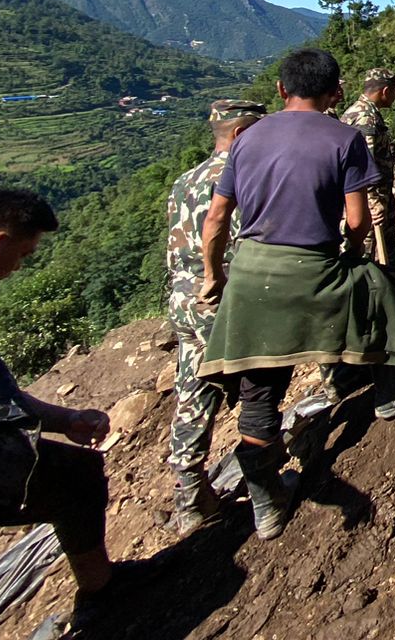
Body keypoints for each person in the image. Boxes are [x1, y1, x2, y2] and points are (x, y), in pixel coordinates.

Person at [197, 49, 395, 541]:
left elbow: (217, 220)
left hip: (252, 274)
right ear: (334, 94)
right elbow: (355, 221)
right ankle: (391, 393)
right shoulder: (345, 138)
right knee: (390, 300)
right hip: (315, 265)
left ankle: (267, 504)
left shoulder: (246, 140)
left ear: (283, 90)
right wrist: (353, 255)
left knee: (258, 391)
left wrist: (213, 276)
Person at [0, 191, 126, 639]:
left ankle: (102, 589)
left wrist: (64, 420)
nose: (18, 268)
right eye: (23, 254)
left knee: (77, 479)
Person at [164, 98, 266, 537]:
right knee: (257, 384)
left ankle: (190, 497)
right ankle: (266, 480)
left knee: (194, 390)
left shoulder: (184, 181)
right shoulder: (242, 178)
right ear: (242, 135)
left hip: (185, 302)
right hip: (224, 296)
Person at [339, 68, 395, 263]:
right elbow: (363, 165)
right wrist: (371, 200)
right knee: (362, 254)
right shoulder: (366, 118)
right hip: (365, 202)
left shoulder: (360, 111)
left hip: (363, 197)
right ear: (385, 91)